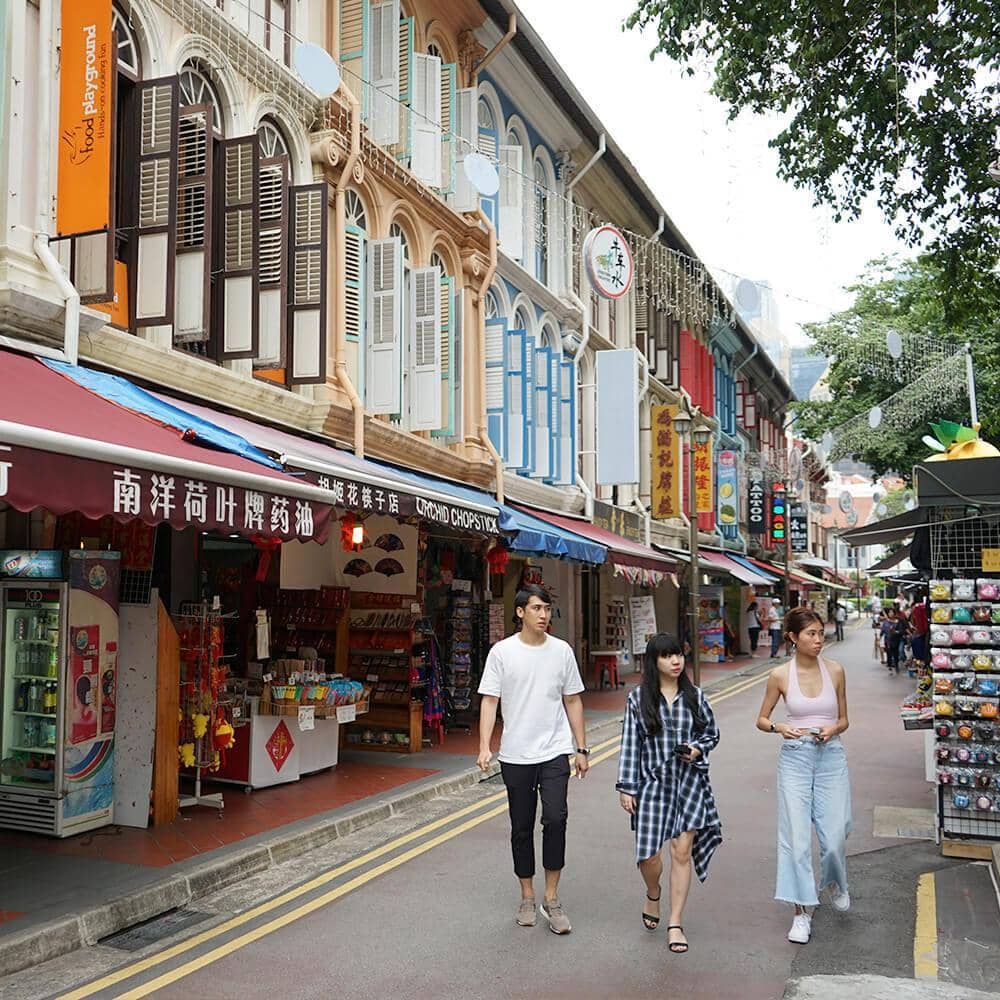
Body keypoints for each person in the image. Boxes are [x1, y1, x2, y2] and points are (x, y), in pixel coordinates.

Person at [477, 585, 589, 935]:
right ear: (520, 612)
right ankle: (527, 894)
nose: (544, 615)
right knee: (521, 826)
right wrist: (484, 745)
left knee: (555, 819)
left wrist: (581, 748)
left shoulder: (562, 651)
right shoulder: (502, 652)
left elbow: (573, 700)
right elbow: (489, 701)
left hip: (555, 750)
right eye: (537, 608)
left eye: (547, 609)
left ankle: (551, 897)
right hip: (515, 754)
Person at [616, 633, 722, 954]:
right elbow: (630, 745)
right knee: (648, 856)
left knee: (681, 852)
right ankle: (653, 892)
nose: (675, 661)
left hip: (689, 783)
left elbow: (711, 733)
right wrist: (626, 786)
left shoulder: (696, 697)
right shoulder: (638, 699)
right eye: (667, 656)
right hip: (651, 785)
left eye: (678, 655)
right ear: (654, 661)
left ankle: (675, 923)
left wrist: (697, 749)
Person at [755, 607, 851, 945]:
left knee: (835, 834)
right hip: (795, 760)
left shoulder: (836, 670)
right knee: (796, 841)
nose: (819, 640)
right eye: (811, 634)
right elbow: (762, 719)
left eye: (821, 633)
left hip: (831, 757)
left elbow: (844, 720)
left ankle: (836, 881)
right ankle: (801, 912)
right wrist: (780, 726)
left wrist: (832, 728)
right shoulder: (780, 675)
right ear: (794, 638)